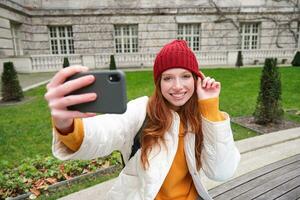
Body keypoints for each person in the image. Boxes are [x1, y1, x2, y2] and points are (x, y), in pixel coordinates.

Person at [45, 40, 240, 200]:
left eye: (185, 76)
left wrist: (210, 106)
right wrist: (67, 125)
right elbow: (106, 131)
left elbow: (221, 171)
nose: (178, 86)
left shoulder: (202, 118)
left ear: (196, 79)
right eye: (168, 78)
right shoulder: (142, 111)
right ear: (158, 82)